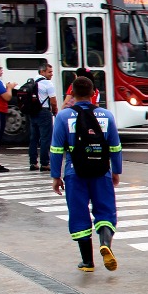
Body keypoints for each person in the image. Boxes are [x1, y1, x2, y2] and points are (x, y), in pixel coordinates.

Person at [50, 75, 121, 272]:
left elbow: (56, 149)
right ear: (93, 93)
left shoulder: (63, 117)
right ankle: (105, 243)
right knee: (105, 210)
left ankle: (87, 262)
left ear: (72, 93)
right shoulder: (106, 116)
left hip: (75, 172)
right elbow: (115, 147)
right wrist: (116, 171)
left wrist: (56, 176)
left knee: (79, 213)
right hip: (101, 170)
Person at [28, 63, 58, 172]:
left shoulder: (32, 82)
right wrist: (55, 111)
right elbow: (53, 101)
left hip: (33, 112)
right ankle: (45, 163)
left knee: (33, 138)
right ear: (42, 72)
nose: (52, 74)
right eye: (49, 72)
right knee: (45, 138)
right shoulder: (47, 83)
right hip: (44, 112)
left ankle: (33, 162)